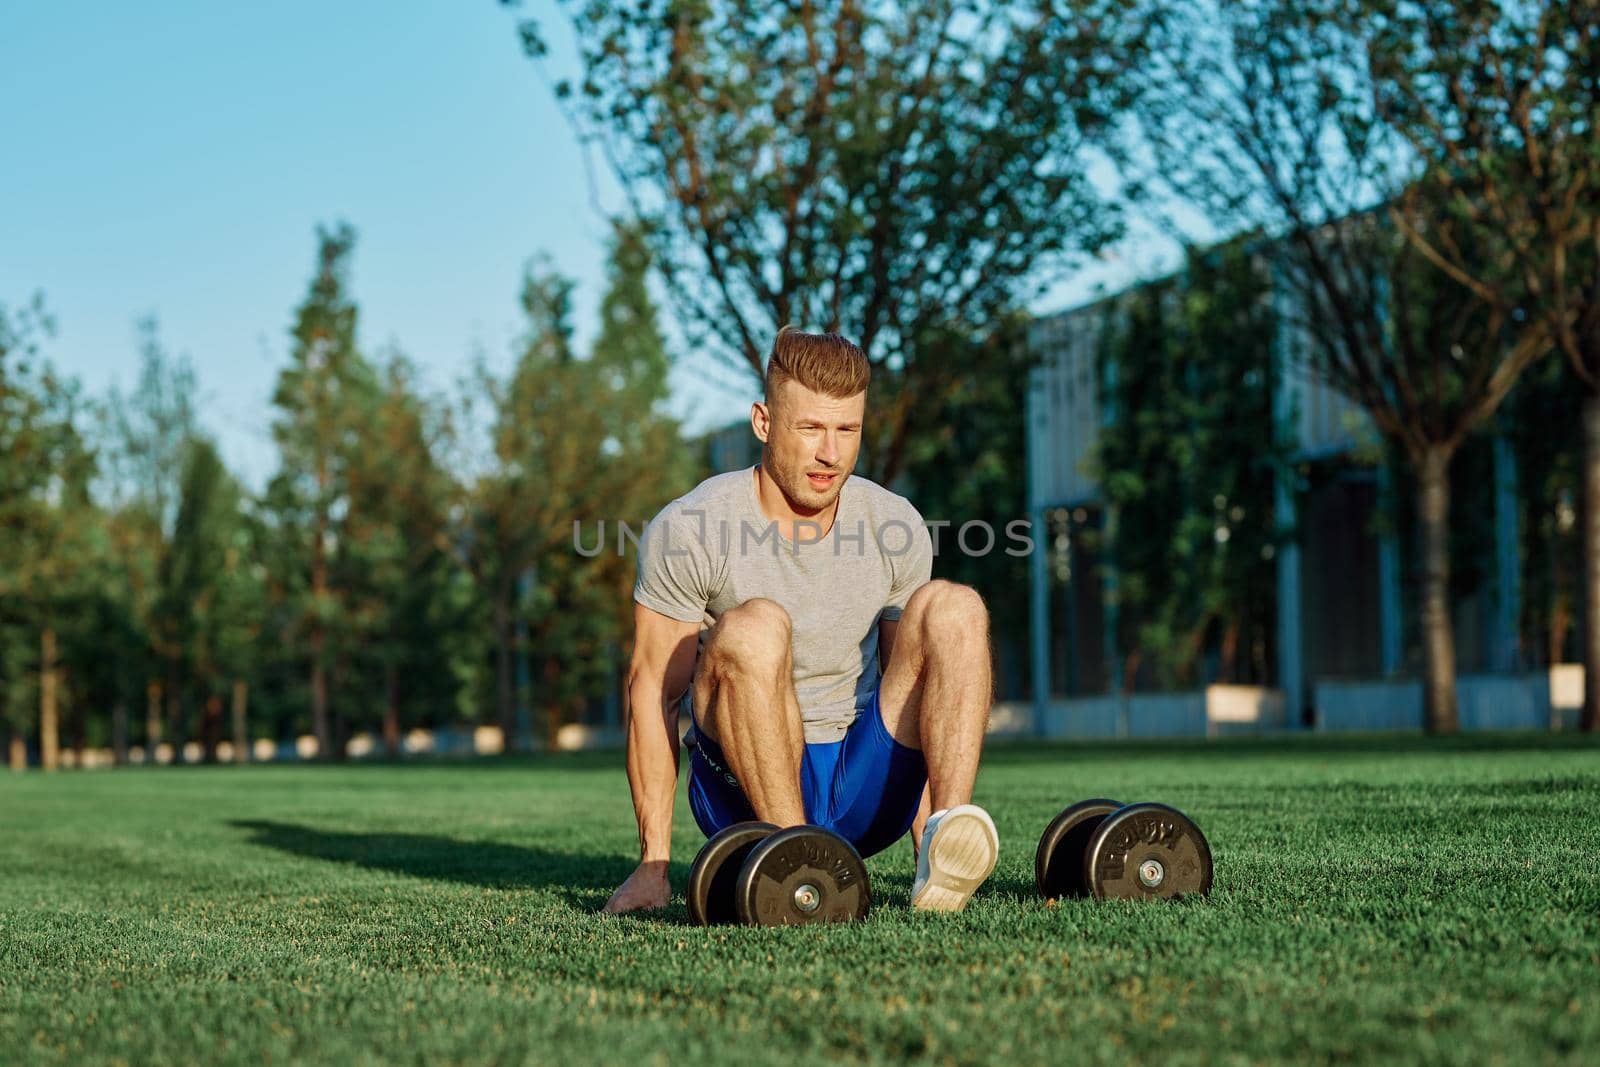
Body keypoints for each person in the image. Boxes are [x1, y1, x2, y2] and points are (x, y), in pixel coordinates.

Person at [603, 326, 997, 915]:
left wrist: (927, 848)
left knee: (956, 607)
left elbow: (915, 686)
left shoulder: (895, 523)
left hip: (860, 784)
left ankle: (943, 846)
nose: (830, 454)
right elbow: (653, 696)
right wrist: (653, 866)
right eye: (810, 428)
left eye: (848, 430)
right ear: (763, 423)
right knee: (755, 626)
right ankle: (793, 861)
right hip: (740, 789)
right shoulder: (689, 529)